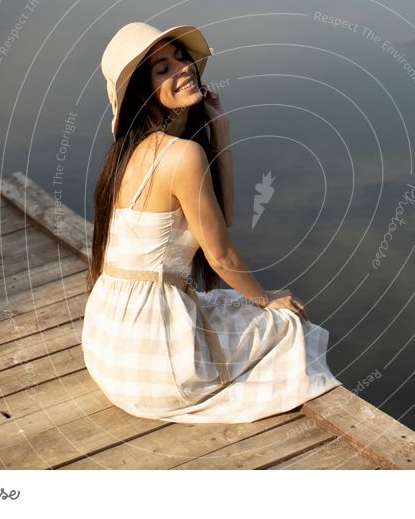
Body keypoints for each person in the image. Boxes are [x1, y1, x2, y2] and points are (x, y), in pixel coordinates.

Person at [81, 22, 342, 423]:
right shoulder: (182, 156)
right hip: (155, 366)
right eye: (162, 69)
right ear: (143, 91)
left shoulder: (122, 156)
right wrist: (267, 299)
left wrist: (220, 129)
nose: (183, 68)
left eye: (182, 58)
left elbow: (222, 220)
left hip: (109, 350)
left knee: (231, 303)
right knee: (289, 325)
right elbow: (219, 253)